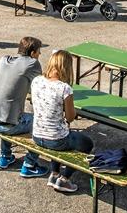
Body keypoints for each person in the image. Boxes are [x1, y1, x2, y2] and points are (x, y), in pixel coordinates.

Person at [0, 36, 48, 176]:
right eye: (38, 51)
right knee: (42, 124)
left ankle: (5, 157)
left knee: (9, 112)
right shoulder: (32, 64)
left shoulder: (4, 59)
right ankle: (30, 164)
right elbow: (38, 89)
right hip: (7, 125)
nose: (40, 54)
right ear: (32, 53)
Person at [32, 50, 94, 193]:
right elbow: (70, 117)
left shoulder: (36, 80)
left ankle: (54, 174)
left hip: (37, 135)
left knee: (59, 135)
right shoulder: (65, 88)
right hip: (55, 139)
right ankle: (64, 178)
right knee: (87, 143)